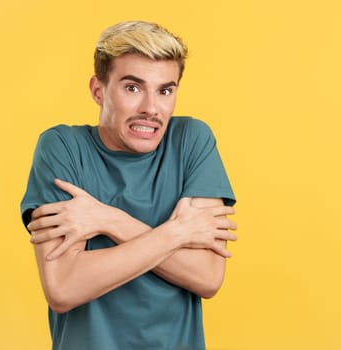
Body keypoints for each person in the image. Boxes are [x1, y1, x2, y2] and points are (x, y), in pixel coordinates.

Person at [20, 20, 237, 350]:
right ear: (98, 90)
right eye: (133, 88)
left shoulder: (191, 141)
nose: (151, 108)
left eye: (165, 90)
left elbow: (207, 277)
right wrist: (178, 232)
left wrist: (108, 219)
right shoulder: (62, 148)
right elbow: (64, 288)